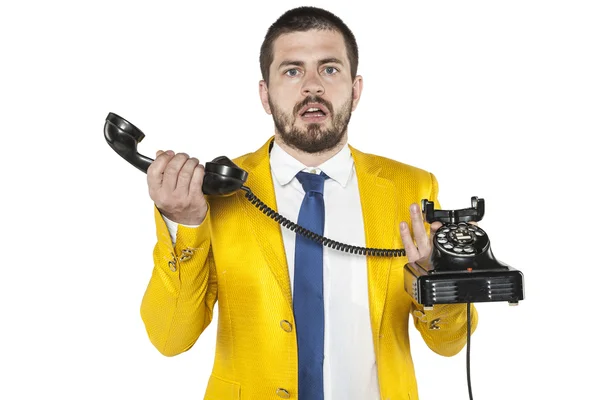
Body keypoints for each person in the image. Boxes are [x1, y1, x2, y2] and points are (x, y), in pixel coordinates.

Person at [140, 6, 478, 400]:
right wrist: (184, 222)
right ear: (265, 95)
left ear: (355, 90)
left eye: (330, 69)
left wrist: (430, 279)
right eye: (292, 70)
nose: (312, 87)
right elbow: (169, 337)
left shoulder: (412, 188)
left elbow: (451, 343)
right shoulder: (215, 194)